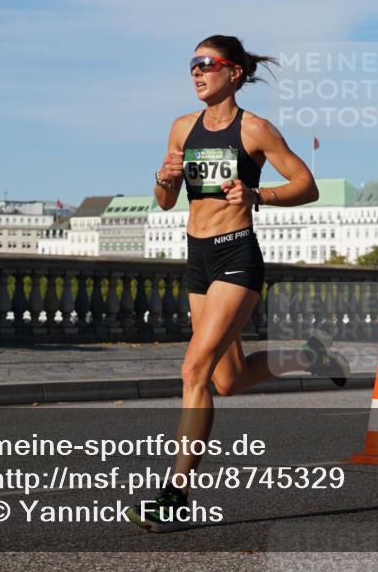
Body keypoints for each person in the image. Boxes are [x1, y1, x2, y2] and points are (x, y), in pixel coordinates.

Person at [128, 35, 351, 532]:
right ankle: (308, 356)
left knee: (194, 371)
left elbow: (306, 185)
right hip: (197, 257)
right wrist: (164, 178)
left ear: (234, 73)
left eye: (206, 64)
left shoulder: (255, 129)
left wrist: (257, 193)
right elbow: (166, 202)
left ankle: (176, 493)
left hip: (236, 254)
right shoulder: (181, 128)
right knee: (226, 380)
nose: (196, 72)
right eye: (192, 64)